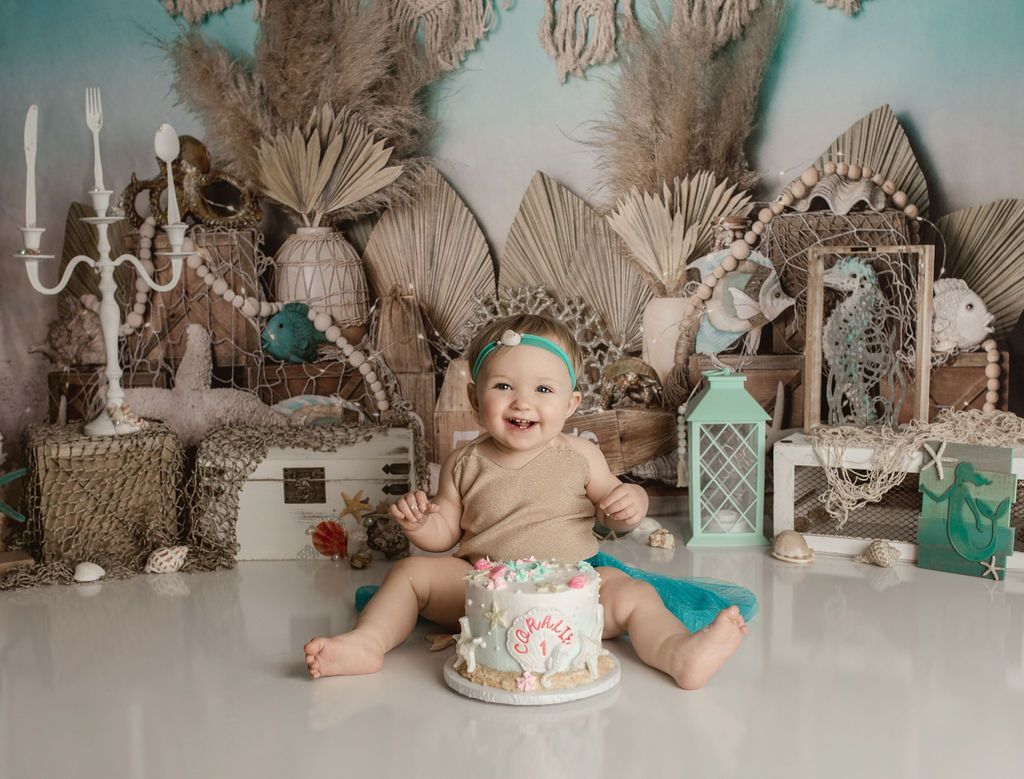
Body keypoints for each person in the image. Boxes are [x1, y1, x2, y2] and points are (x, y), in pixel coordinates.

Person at [304, 314, 755, 689]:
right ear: (474, 399)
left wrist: (630, 501)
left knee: (634, 593)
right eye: (503, 386)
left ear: (571, 403)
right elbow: (445, 533)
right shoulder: (463, 460)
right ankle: (369, 642)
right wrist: (424, 525)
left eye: (543, 390)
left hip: (575, 583)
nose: (522, 402)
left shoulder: (581, 455)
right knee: (408, 573)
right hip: (481, 586)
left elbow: (611, 510)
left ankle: (677, 654)